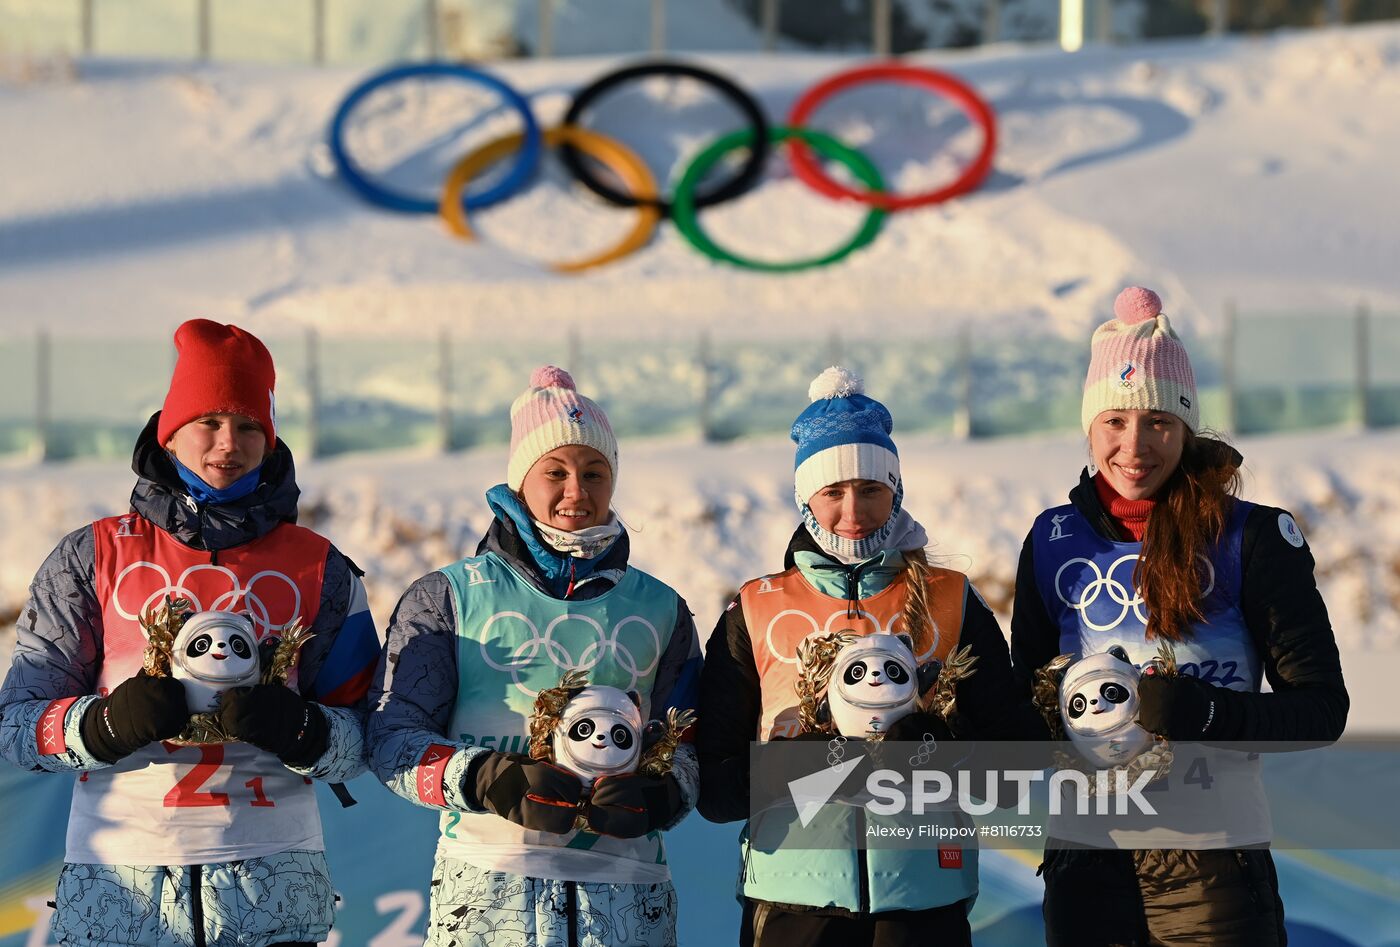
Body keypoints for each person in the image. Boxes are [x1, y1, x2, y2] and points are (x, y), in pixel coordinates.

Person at [0, 320, 380, 947]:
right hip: (119, 903)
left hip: (272, 901)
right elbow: (16, 727)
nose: (229, 442)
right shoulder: (90, 556)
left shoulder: (321, 567)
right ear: (170, 431)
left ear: (271, 436)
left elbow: (371, 738)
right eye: (209, 421)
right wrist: (100, 726)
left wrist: (304, 731)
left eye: (250, 425)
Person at [1009, 287, 1350, 945]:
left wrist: (1205, 712)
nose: (1134, 445)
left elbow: (1320, 708)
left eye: (1158, 422)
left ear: (1187, 427)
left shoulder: (1251, 535)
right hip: (1087, 858)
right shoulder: (1051, 539)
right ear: (1089, 425)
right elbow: (1024, 708)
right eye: (1114, 421)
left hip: (1213, 863)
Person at [697, 366, 1045, 947]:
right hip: (794, 903)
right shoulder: (755, 609)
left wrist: (939, 754)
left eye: (871, 489)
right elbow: (715, 789)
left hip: (924, 901)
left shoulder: (951, 598)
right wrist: (800, 767)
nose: (853, 511)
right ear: (805, 497)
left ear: (896, 492)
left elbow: (1015, 766)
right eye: (833, 492)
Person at [367, 365, 703, 946]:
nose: (577, 491)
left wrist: (663, 794)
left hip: (626, 903)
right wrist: (481, 777)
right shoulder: (447, 596)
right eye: (556, 472)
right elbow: (390, 738)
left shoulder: (662, 608)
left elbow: (691, 747)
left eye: (595, 472)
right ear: (522, 480)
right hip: (490, 901)